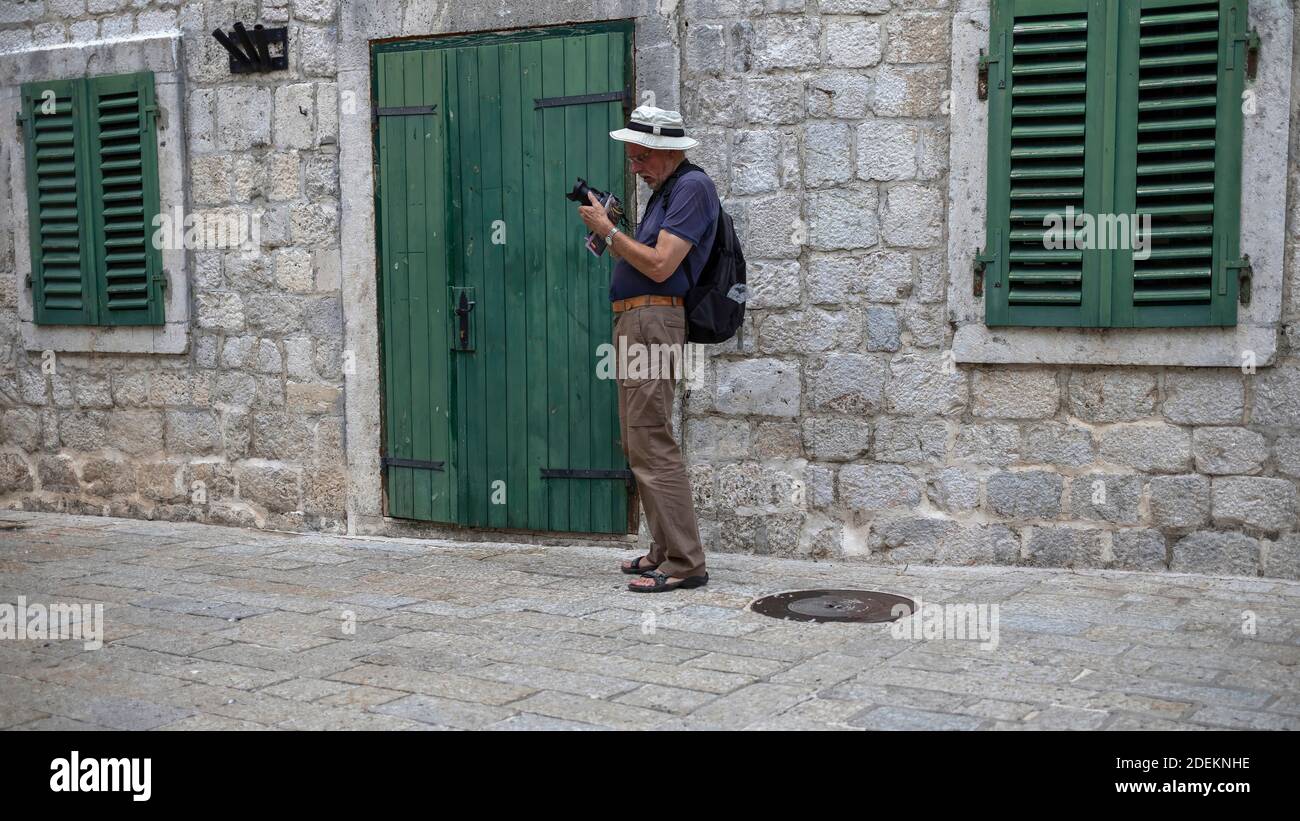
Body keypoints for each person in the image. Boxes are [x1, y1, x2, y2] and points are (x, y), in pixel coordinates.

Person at [577, 105, 718, 593]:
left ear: (663, 149)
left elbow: (660, 265)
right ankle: (664, 549)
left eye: (639, 157)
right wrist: (615, 230)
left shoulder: (693, 188)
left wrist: (608, 231)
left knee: (651, 438)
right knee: (639, 439)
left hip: (653, 320)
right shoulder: (668, 190)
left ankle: (684, 562)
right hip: (639, 321)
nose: (634, 167)